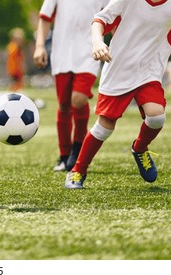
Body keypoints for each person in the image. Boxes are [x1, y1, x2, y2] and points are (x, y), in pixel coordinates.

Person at [65, 0, 171, 189]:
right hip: (118, 70)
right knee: (105, 127)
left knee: (156, 117)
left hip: (149, 72)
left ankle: (139, 148)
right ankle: (77, 171)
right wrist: (97, 42)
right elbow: (99, 20)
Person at [34, 0, 109, 172]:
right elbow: (45, 17)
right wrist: (39, 46)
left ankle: (78, 149)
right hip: (62, 53)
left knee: (79, 99)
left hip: (90, 50)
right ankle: (64, 155)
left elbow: (113, 14)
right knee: (64, 105)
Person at [6, 27, 25, 92]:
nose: (21, 41)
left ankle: (15, 92)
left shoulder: (16, 47)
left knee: (19, 84)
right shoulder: (13, 47)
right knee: (15, 84)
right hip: (14, 69)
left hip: (17, 69)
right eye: (19, 39)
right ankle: (13, 93)